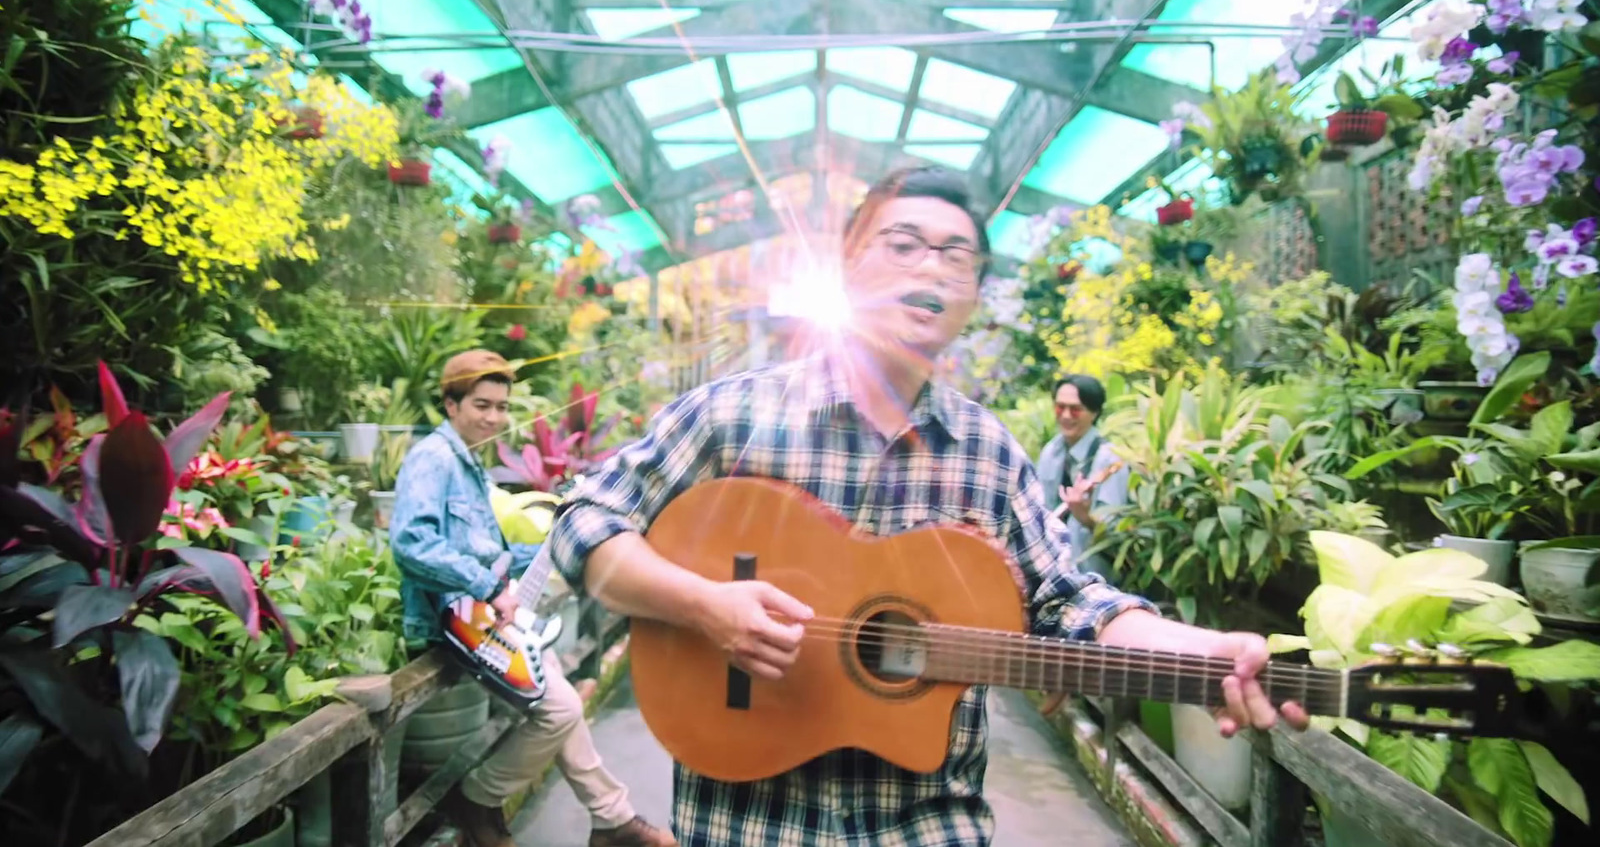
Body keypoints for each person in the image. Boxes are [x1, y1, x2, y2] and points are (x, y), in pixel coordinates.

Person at [543, 167, 1310, 846]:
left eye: (955, 254)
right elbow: (585, 520)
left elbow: (1069, 600)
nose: (929, 266)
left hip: (928, 823)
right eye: (903, 243)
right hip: (748, 818)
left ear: (973, 292)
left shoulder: (988, 451)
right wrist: (707, 604)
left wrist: (1195, 648)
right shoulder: (730, 415)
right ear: (848, 269)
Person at [388, 350, 676, 847]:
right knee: (560, 708)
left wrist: (565, 535)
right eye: (482, 404)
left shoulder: (469, 465)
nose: (495, 417)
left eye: (501, 406)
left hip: (482, 617)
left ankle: (613, 819)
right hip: (456, 618)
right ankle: (478, 796)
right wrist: (488, 585)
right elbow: (412, 544)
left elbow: (490, 550)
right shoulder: (432, 459)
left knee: (557, 699)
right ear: (450, 404)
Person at [1036, 374, 1130, 576]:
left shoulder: (1110, 459)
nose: (1066, 416)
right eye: (1060, 407)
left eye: (1076, 409)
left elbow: (1117, 535)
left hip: (1096, 577)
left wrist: (1085, 517)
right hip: (1054, 573)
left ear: (1094, 413)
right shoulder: (1051, 452)